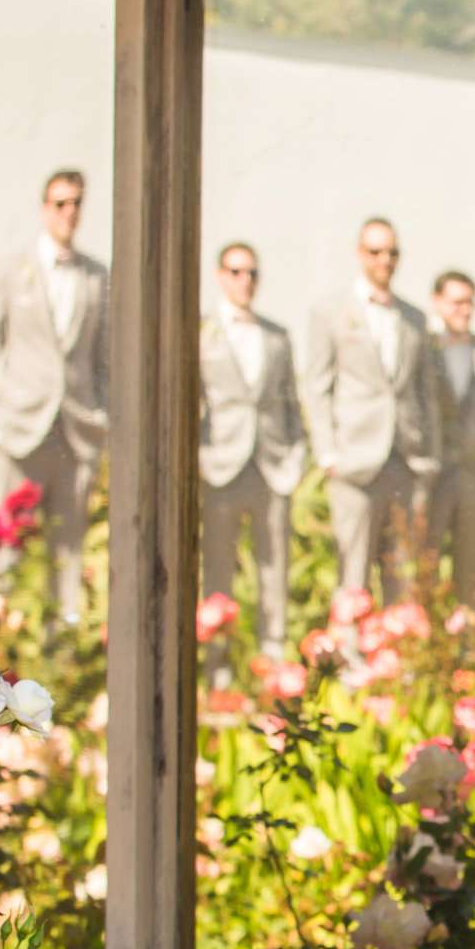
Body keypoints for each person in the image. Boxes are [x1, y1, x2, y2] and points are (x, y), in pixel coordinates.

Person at [0, 167, 108, 627]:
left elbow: (104, 360)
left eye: (76, 204)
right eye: (60, 203)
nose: (69, 212)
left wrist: (101, 419)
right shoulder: (12, 272)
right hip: (21, 432)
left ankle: (60, 655)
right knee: (1, 549)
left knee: (66, 553)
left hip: (74, 435)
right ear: (44, 208)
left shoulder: (95, 277)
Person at [305, 217, 439, 604]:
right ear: (360, 253)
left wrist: (428, 458)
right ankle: (349, 661)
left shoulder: (413, 318)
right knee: (354, 574)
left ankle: (399, 659)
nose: (385, 259)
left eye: (392, 252)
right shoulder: (330, 311)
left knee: (403, 576)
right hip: (355, 461)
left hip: (405, 461)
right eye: (376, 251)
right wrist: (329, 453)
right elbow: (318, 387)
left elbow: (424, 392)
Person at [198, 242, 306, 671]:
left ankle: (272, 656)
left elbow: (290, 404)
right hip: (222, 466)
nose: (245, 281)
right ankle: (217, 662)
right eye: (237, 272)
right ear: (220, 275)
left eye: (252, 273)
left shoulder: (276, 335)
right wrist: (202, 458)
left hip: (272, 466)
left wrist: (295, 458)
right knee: (219, 566)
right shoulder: (201, 332)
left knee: (273, 563)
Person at [426, 268, 475, 605]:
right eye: (457, 302)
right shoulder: (425, 348)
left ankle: (472, 646)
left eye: (470, 303)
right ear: (438, 303)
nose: (465, 310)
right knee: (425, 561)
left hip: (474, 471)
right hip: (433, 472)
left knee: (473, 566)